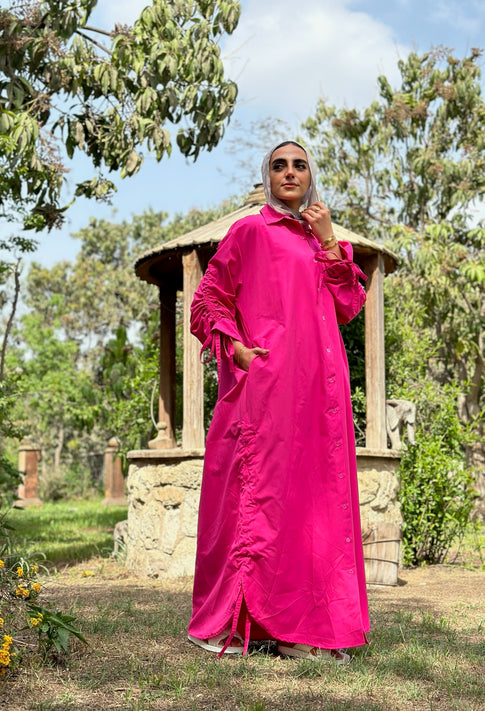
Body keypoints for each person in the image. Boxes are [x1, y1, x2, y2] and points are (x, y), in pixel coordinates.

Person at [187, 140, 370, 664]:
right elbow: (207, 300)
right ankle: (263, 623)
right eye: (279, 165)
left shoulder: (323, 240)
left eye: (300, 165)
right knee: (265, 505)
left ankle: (313, 625)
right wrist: (238, 349)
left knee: (315, 509)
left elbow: (349, 304)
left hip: (320, 394)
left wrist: (330, 239)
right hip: (268, 392)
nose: (290, 172)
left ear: (312, 176)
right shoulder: (250, 230)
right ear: (267, 176)